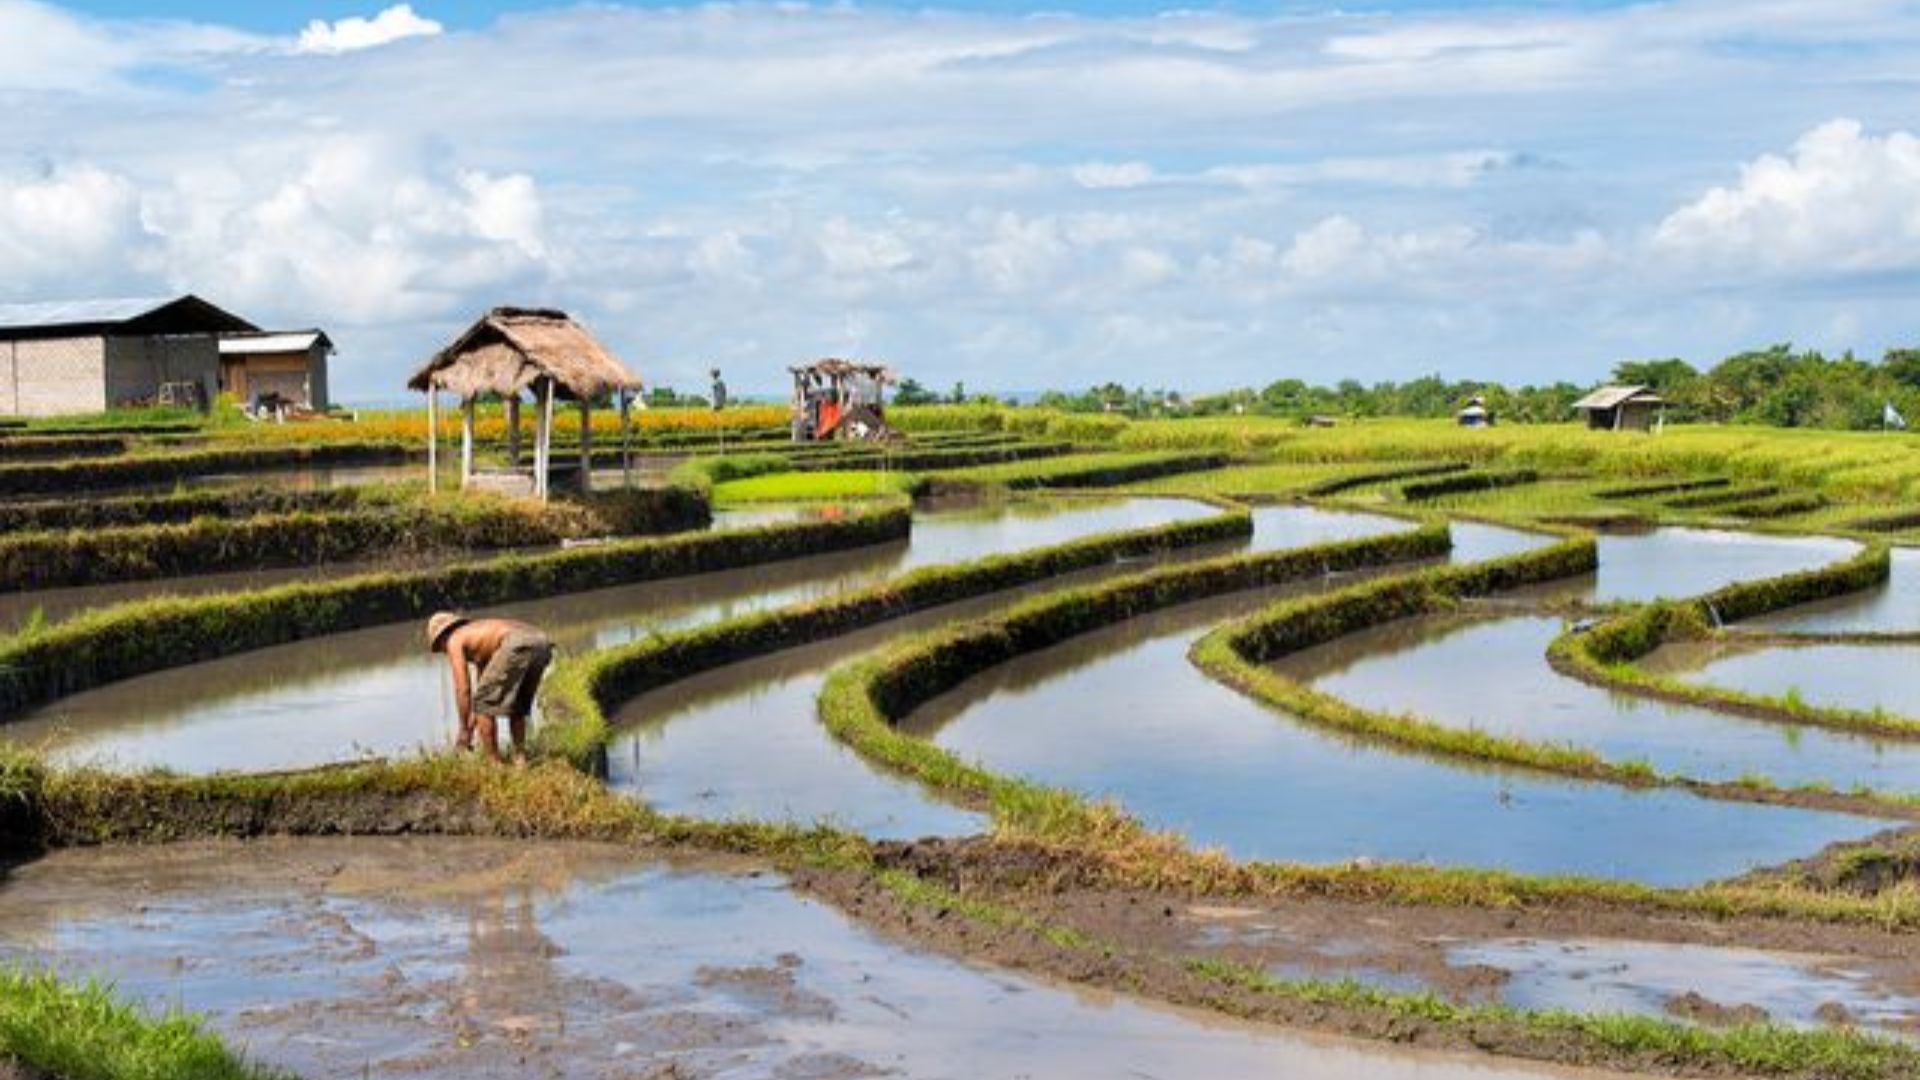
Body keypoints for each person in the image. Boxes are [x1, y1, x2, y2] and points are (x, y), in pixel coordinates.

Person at [426, 611, 554, 763]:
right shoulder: (479, 637)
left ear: (442, 637)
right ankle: (520, 759)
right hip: (542, 643)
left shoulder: (454, 639)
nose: (444, 652)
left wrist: (463, 731)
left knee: (483, 704)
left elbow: (463, 689)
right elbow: (481, 691)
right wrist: (471, 726)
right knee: (517, 706)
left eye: (441, 648)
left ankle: (494, 763)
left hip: (516, 642)